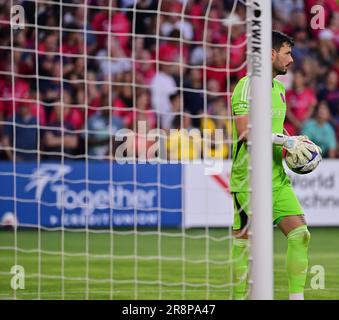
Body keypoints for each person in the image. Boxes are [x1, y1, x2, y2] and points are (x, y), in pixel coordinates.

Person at [230, 31, 321, 300]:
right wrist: (286, 140)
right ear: (270, 54)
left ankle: (296, 298)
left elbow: (274, 136)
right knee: (246, 246)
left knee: (300, 234)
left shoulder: (280, 91)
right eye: (287, 53)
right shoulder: (246, 86)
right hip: (248, 181)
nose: (291, 60)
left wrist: (292, 147)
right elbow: (246, 135)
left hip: (276, 180)